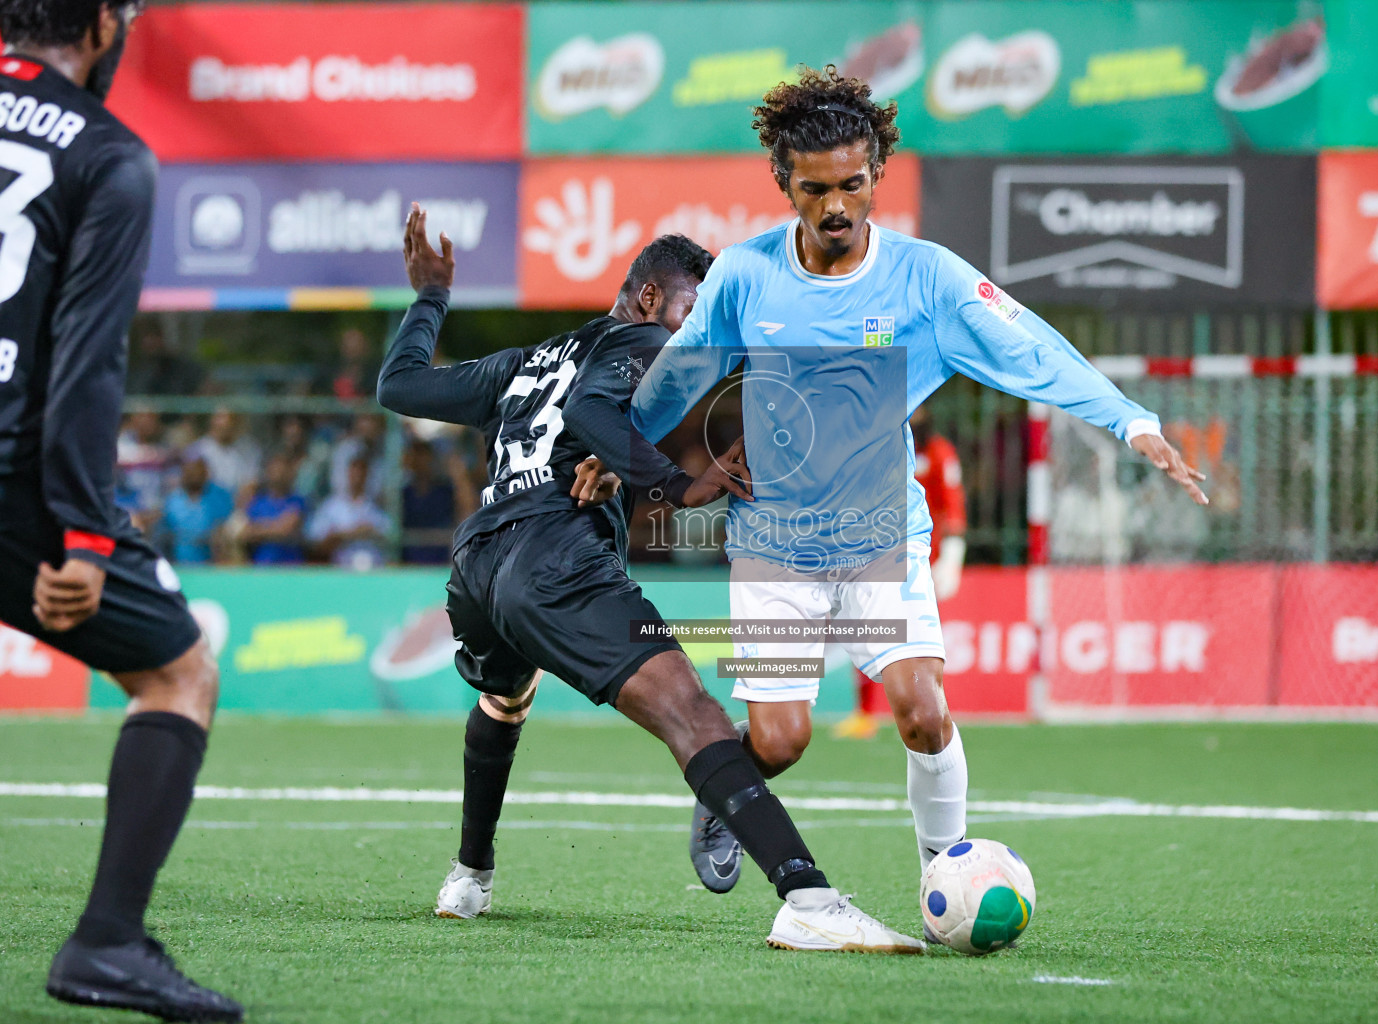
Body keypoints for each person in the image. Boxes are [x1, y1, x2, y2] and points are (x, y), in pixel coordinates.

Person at [628, 67, 1207, 918]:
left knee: (923, 712)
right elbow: (673, 382)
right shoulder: (747, 276)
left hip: (878, 530)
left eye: (852, 185)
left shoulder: (926, 278)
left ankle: (949, 870)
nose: (835, 206)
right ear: (785, 182)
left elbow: (1031, 348)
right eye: (815, 189)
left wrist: (1130, 421)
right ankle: (726, 792)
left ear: (877, 174)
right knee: (781, 742)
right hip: (774, 539)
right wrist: (613, 448)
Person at [378, 205, 919, 953]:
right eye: (691, 313)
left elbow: (400, 386)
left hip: (476, 565)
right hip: (554, 559)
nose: (693, 336)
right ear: (648, 299)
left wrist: (431, 297)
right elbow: (595, 408)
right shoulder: (638, 339)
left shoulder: (523, 363)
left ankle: (469, 876)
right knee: (693, 713)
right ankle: (807, 897)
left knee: (505, 698)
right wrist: (677, 486)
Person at [0, 3, 242, 1019]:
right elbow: (86, 364)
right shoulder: (107, 154)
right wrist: (87, 535)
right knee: (177, 670)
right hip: (15, 476)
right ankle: (103, 942)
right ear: (102, 23)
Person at [834, 403, 965, 740]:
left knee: (920, 646)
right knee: (864, 631)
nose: (914, 413)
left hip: (925, 564)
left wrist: (952, 554)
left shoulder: (939, 452)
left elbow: (953, 505)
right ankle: (864, 714)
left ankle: (930, 709)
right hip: (880, 558)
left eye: (920, 407)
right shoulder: (880, 451)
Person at [400, 438, 478, 564]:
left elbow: (469, 509)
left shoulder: (444, 491)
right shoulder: (402, 494)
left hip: (441, 555)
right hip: (408, 557)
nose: (420, 462)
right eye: (416, 456)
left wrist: (459, 474)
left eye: (423, 456)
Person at [306, 454, 391, 570]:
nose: (358, 476)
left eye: (362, 471)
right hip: (341, 572)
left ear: (367, 475)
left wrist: (369, 532)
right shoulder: (331, 506)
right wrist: (352, 533)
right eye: (354, 471)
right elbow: (317, 541)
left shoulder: (376, 507)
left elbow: (389, 535)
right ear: (348, 474)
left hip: (373, 573)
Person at [159, 455, 232, 565]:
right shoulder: (173, 499)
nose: (194, 475)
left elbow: (227, 525)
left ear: (206, 473)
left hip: (213, 560)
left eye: (198, 470)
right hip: (177, 560)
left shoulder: (221, 496)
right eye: (189, 471)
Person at [237, 454, 306, 565]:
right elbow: (245, 533)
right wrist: (276, 526)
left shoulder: (298, 501)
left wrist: (258, 528)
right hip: (262, 568)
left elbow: (285, 530)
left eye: (283, 470)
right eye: (276, 470)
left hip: (291, 568)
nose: (279, 475)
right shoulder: (257, 502)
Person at [184, 408, 260, 498]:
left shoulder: (249, 449)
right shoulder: (197, 449)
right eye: (219, 418)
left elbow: (252, 482)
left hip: (240, 504)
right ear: (212, 422)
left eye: (231, 420)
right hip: (208, 504)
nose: (225, 425)